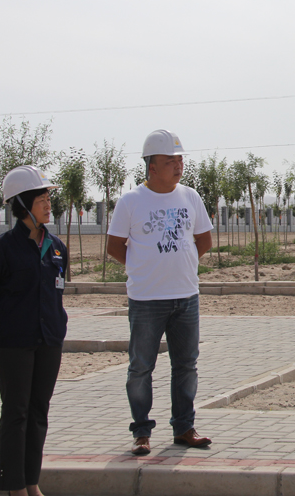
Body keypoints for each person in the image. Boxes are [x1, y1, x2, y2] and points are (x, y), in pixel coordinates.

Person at [107, 129, 214, 456]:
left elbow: (204, 240)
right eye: (170, 161)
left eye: (180, 160)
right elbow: (114, 246)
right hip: (146, 300)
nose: (178, 166)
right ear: (151, 166)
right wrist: (144, 267)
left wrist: (180, 264)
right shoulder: (131, 201)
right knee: (141, 367)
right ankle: (141, 431)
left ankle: (184, 427)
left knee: (186, 365)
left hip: (186, 297)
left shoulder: (190, 197)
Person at [0, 166, 68, 496]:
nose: (48, 204)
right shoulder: (0, 250)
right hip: (13, 346)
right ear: (23, 205)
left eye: (49, 198)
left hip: (48, 343)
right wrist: (5, 329)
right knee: (16, 414)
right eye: (41, 199)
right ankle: (13, 487)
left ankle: (31, 482)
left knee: (39, 412)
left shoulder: (57, 247)